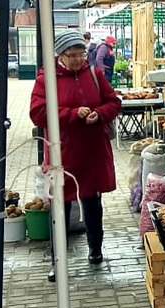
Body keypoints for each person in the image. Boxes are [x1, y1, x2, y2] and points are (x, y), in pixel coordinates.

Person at [30, 30, 119, 282]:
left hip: (92, 150)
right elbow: (37, 113)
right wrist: (71, 114)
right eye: (73, 55)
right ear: (60, 55)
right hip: (62, 152)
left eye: (82, 54)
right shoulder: (46, 78)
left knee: (92, 202)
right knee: (59, 206)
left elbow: (113, 102)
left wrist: (99, 114)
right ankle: (57, 259)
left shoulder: (94, 73)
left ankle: (95, 249)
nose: (79, 59)